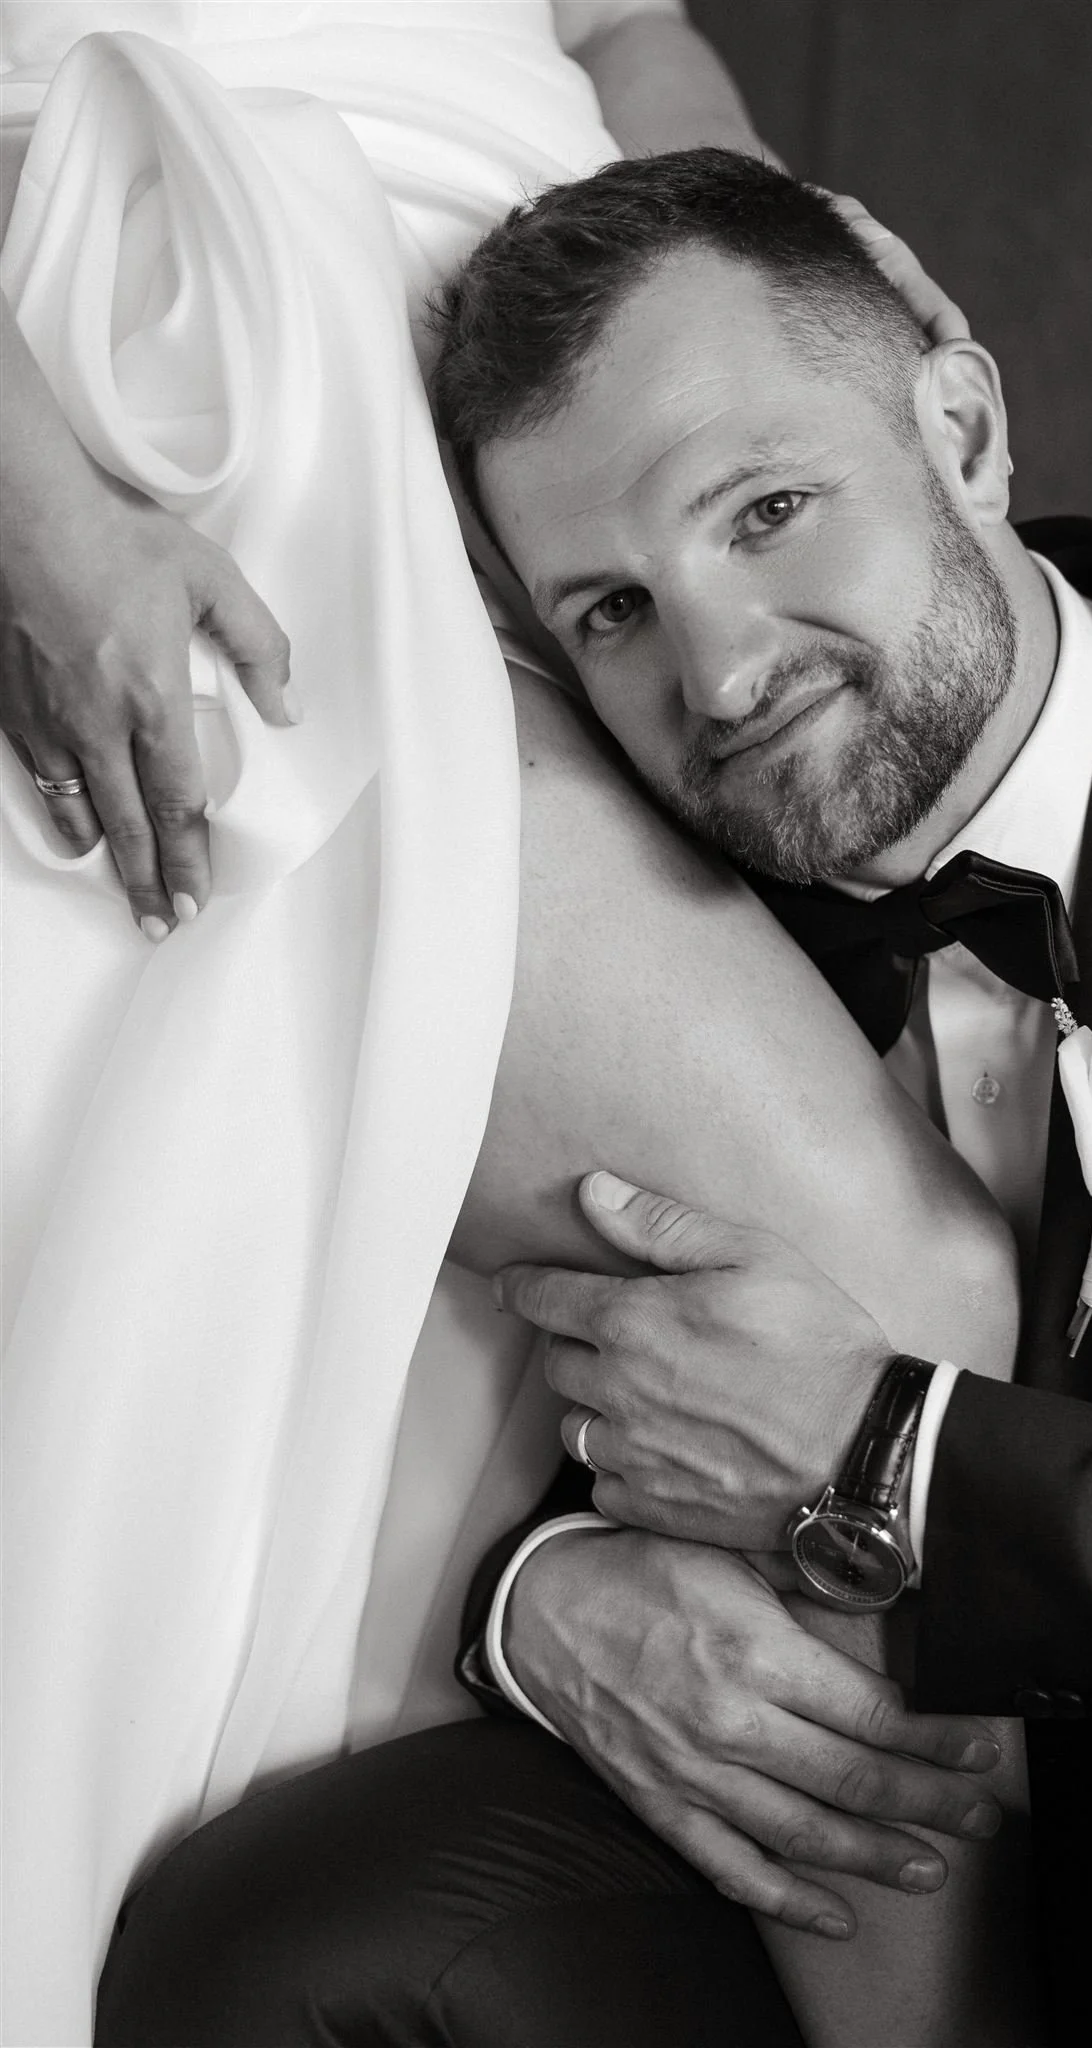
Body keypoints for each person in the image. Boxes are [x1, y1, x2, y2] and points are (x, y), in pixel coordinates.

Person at [99, 151, 1092, 2048]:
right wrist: (538, 1598)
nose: (720, 673)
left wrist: (904, 1466)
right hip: (873, 1874)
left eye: (765, 512)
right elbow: (529, 1404)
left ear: (962, 428)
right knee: (286, 1938)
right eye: (608, 614)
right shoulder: (634, 917)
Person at [1, 11, 978, 2043]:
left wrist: (770, 250)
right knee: (875, 1290)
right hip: (171, 413)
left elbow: (622, 17)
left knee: (839, 1357)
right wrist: (33, 509)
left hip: (564, 388)